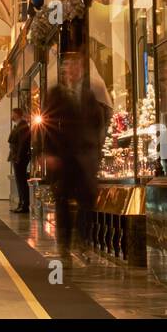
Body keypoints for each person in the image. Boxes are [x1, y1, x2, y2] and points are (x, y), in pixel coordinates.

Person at [41, 51, 109, 258]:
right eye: (69, 66)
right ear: (63, 71)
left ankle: (81, 239)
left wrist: (97, 150)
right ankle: (64, 244)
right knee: (62, 200)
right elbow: (45, 124)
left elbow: (99, 123)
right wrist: (47, 152)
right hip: (63, 158)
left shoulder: (89, 95)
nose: (73, 70)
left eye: (77, 65)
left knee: (87, 200)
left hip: (86, 158)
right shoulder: (55, 94)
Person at [8, 107, 32, 213]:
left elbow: (23, 144)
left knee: (21, 181)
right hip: (16, 156)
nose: (11, 116)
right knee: (19, 181)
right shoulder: (18, 126)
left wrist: (18, 157)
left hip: (20, 157)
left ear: (17, 114)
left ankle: (24, 204)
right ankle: (21, 203)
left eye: (12, 114)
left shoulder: (23, 126)